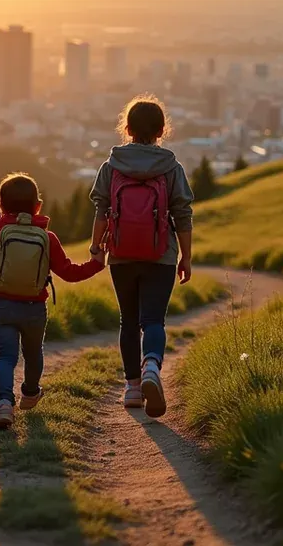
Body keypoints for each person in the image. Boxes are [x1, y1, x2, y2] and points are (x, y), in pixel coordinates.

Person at [89, 95, 194, 418]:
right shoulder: (171, 167)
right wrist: (186, 257)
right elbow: (183, 214)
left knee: (129, 321)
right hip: (160, 254)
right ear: (162, 130)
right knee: (153, 320)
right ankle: (151, 365)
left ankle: (133, 388)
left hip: (121, 254)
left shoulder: (112, 166)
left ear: (128, 128)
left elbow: (101, 210)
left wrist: (97, 247)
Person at [0, 173, 105, 429]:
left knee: (4, 356)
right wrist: (96, 264)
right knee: (33, 354)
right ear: (38, 206)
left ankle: (4, 403)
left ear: (2, 205)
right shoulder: (48, 237)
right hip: (35, 308)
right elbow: (68, 272)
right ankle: (31, 392)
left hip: (2, 305)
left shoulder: (0, 229)